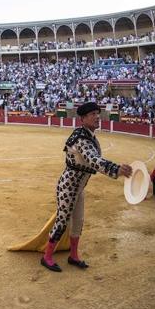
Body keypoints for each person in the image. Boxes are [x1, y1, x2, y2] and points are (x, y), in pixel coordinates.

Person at [41, 102, 133, 272]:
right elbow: (93, 160)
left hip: (79, 188)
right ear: (83, 119)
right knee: (62, 222)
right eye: (92, 114)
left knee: (78, 222)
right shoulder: (81, 139)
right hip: (68, 187)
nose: (97, 117)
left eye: (98, 113)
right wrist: (116, 169)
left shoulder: (89, 135)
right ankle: (46, 257)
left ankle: (73, 256)